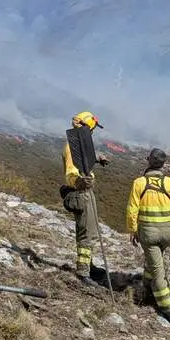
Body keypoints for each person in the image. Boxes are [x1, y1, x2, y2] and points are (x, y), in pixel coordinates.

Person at [126, 148, 170, 324]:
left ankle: (167, 308)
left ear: (148, 161)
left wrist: (133, 229)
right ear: (163, 163)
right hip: (168, 232)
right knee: (155, 260)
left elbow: (132, 210)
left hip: (148, 234)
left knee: (158, 270)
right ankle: (145, 286)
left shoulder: (139, 183)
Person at [60, 110, 110, 284]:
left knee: (91, 229)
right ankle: (83, 273)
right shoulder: (71, 145)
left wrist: (97, 159)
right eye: (93, 127)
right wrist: (81, 181)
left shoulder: (79, 142)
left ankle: (88, 264)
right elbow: (71, 172)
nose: (94, 131)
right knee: (86, 232)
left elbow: (84, 157)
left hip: (88, 192)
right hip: (81, 193)